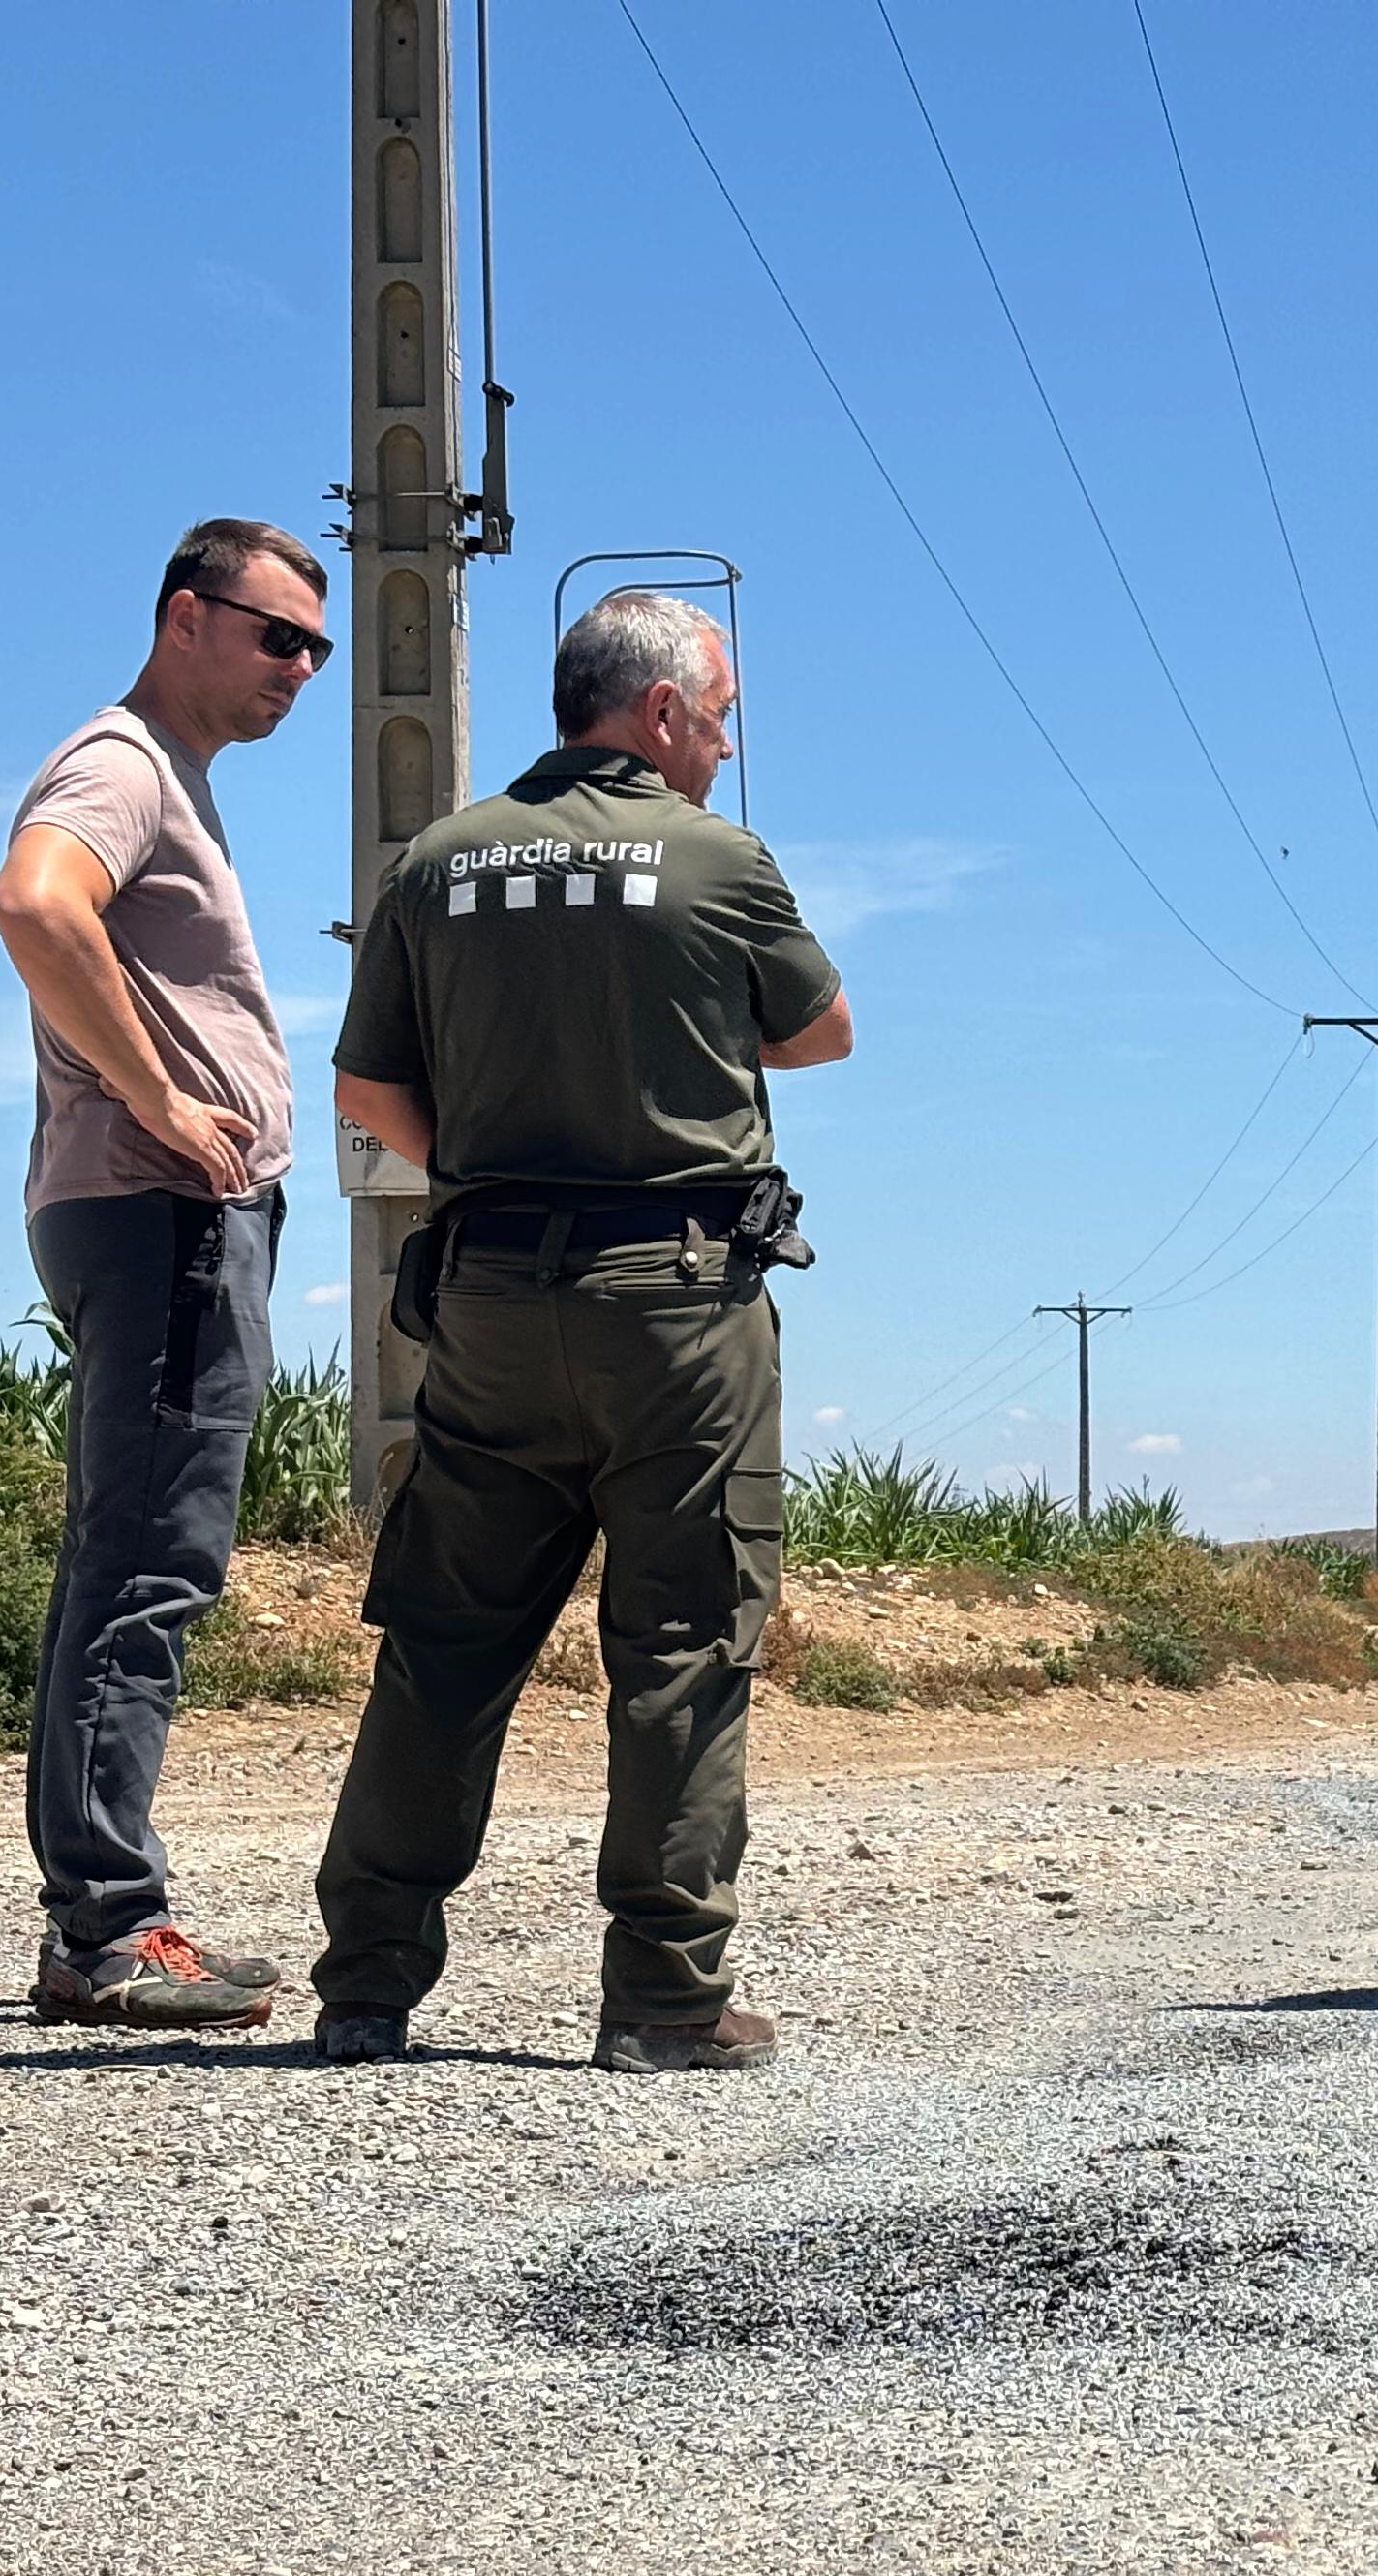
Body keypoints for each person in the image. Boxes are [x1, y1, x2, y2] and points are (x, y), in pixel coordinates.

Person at [313, 591, 852, 2074]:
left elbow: (365, 1092)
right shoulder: (718, 859)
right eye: (719, 718)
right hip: (676, 1308)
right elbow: (820, 1031)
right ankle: (665, 1999)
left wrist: (499, 1167)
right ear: (661, 712)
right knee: (681, 1644)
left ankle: (366, 1986)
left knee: (444, 1644)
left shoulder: (437, 860)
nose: (723, 747)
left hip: (486, 1297)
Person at [0, 519, 334, 2033]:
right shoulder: (122, 763)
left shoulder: (170, 776)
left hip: (161, 1211)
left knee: (130, 1557)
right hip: (158, 1210)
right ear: (186, 616)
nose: (301, 668)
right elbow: (33, 903)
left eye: (316, 647)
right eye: (277, 636)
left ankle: (107, 1919)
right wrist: (158, 1100)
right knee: (146, 1563)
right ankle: (108, 1930)